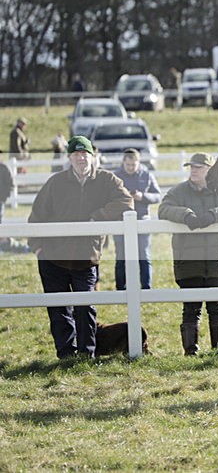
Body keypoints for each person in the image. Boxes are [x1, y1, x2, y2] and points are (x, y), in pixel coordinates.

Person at [27, 136, 133, 359]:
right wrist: (38, 249)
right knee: (59, 310)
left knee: (86, 307)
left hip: (86, 258)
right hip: (53, 257)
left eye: (85, 154)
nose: (81, 158)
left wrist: (98, 217)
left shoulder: (106, 180)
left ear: (92, 156)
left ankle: (87, 354)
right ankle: (66, 355)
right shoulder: (55, 183)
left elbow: (126, 202)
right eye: (76, 154)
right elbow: (36, 216)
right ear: (69, 158)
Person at [158, 153, 218, 356]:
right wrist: (185, 214)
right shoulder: (178, 191)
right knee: (191, 308)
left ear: (210, 169)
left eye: (199, 166)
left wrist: (214, 215)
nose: (194, 170)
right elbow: (164, 209)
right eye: (191, 167)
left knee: (217, 307)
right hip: (188, 260)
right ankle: (190, 352)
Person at [113, 149, 161, 291]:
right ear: (123, 162)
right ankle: (120, 288)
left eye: (134, 164)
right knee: (121, 256)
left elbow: (158, 196)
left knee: (144, 255)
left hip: (142, 219)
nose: (131, 167)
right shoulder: (115, 177)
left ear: (138, 162)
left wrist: (143, 197)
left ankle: (146, 288)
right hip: (120, 220)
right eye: (128, 165)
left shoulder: (147, 175)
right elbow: (107, 197)